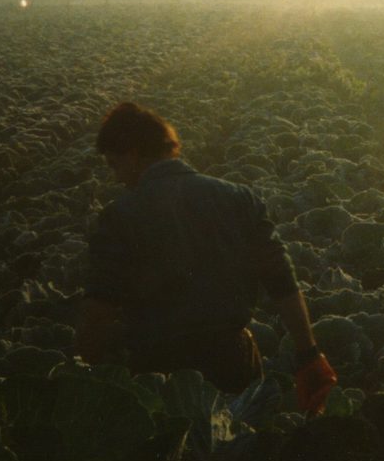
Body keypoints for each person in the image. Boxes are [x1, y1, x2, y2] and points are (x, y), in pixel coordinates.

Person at [76, 101, 337, 414]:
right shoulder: (239, 198)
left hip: (157, 373)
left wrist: (89, 375)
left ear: (133, 155)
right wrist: (309, 355)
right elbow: (282, 282)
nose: (117, 178)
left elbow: (97, 312)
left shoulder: (118, 216)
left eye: (115, 165)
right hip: (232, 360)